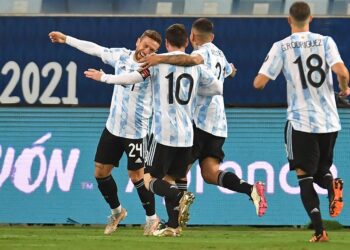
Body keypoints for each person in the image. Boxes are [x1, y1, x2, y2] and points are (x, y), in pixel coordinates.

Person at [85, 23, 224, 237]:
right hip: (188, 135)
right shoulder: (196, 67)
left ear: (166, 44)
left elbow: (132, 77)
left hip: (163, 134)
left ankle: (174, 202)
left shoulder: (157, 65)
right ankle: (173, 226)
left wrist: (104, 78)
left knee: (148, 179)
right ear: (187, 42)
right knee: (172, 179)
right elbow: (217, 88)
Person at [139, 18, 268, 218]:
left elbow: (190, 61)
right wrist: (231, 70)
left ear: (192, 37)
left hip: (198, 121)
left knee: (172, 175)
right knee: (210, 173)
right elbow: (230, 71)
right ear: (212, 37)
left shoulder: (197, 54)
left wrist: (160, 58)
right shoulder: (219, 53)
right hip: (218, 124)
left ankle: (175, 220)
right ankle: (251, 189)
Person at [48, 30, 162, 236]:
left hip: (136, 131)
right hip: (113, 127)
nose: (147, 51)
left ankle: (152, 218)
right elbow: (95, 48)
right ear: (138, 41)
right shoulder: (121, 55)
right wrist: (66, 39)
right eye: (145, 45)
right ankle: (117, 212)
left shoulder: (152, 68)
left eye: (152, 50)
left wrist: (103, 77)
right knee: (100, 171)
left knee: (137, 176)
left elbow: (128, 79)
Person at [253, 1, 349, 242]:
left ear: (288, 20)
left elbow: (259, 83)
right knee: (321, 171)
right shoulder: (326, 41)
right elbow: (342, 72)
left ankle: (320, 231)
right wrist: (344, 89)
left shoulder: (282, 46)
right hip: (329, 120)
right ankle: (331, 187)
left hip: (301, 120)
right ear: (311, 18)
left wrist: (265, 77)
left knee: (304, 175)